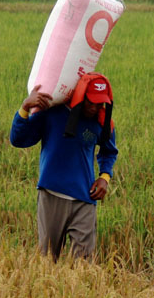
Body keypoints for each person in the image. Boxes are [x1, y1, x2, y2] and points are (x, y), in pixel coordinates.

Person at [9, 72, 118, 262]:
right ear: (81, 96)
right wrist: (25, 107)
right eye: (91, 102)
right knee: (47, 260)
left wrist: (104, 177)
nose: (94, 107)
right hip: (52, 195)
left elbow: (109, 152)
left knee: (84, 264)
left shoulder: (102, 123)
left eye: (100, 103)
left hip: (85, 199)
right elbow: (18, 139)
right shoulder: (52, 113)